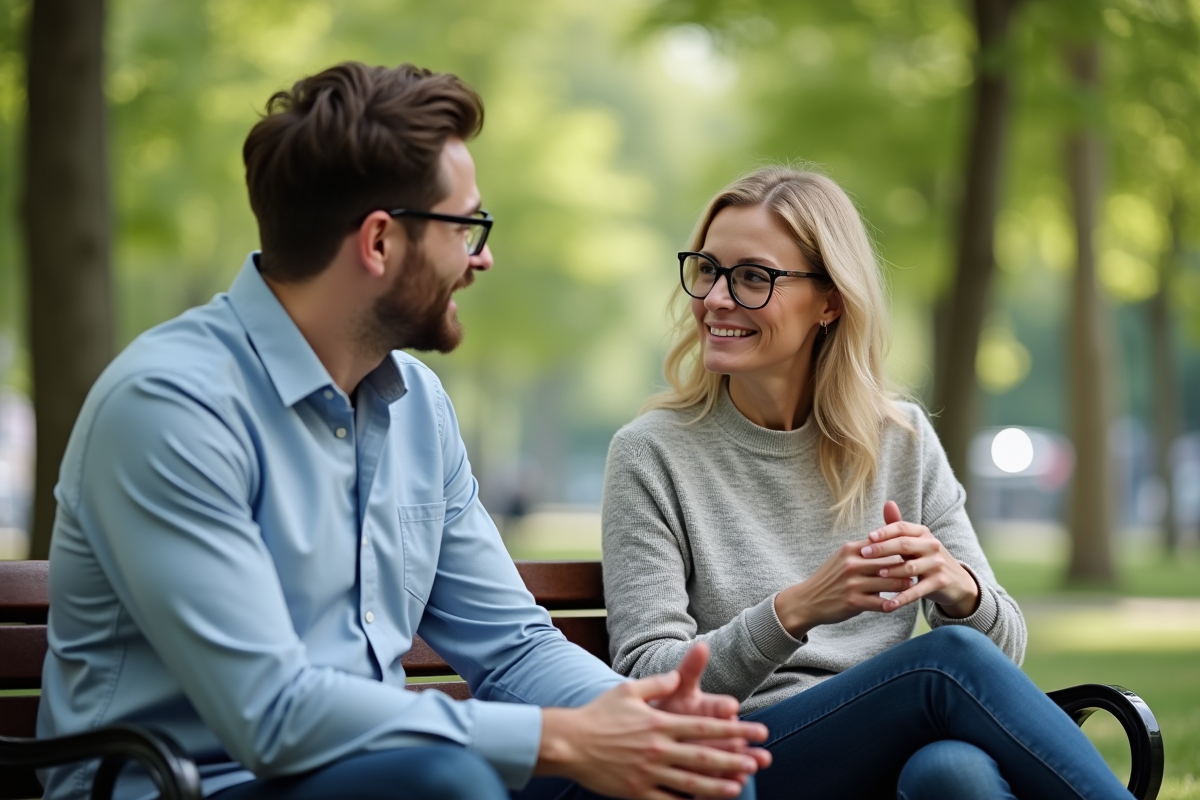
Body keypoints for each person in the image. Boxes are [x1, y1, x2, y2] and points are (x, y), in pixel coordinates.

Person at [37, 62, 772, 800]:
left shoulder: (417, 405)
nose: (483, 257)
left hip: (383, 772)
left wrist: (636, 715)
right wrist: (561, 738)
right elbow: (272, 713)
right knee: (439, 781)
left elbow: (512, 649)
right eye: (468, 226)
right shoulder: (170, 407)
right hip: (187, 785)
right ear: (380, 241)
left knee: (695, 779)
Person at [601, 167, 1135, 799]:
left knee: (953, 773)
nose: (717, 298)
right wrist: (796, 609)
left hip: (891, 747)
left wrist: (960, 590)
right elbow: (649, 684)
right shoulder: (651, 453)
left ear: (830, 301)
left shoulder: (900, 439)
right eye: (708, 269)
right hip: (743, 763)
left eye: (752, 277)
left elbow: (1004, 653)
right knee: (944, 665)